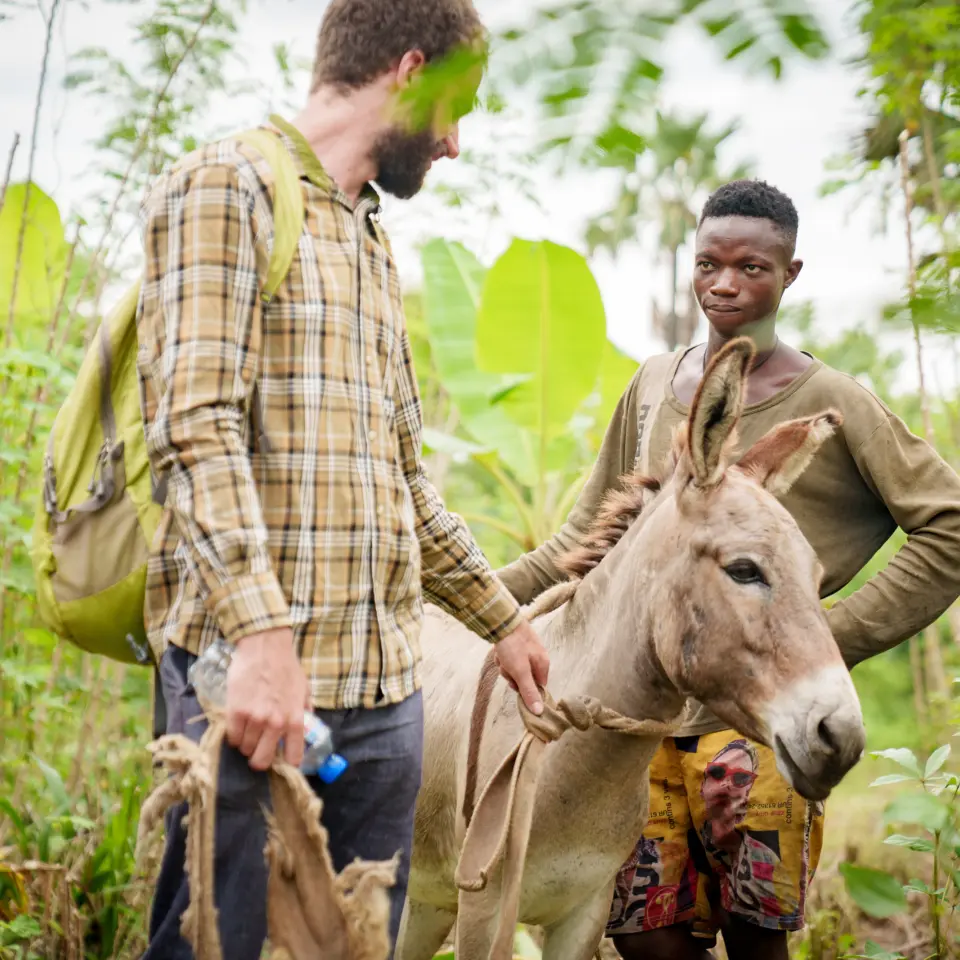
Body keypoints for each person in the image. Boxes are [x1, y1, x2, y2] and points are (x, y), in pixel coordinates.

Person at [135, 1, 549, 957]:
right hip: (249, 689)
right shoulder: (226, 188)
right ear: (409, 71)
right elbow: (192, 432)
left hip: (382, 701)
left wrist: (506, 622)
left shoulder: (369, 239)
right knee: (212, 942)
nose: (454, 144)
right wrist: (264, 642)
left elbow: (404, 482)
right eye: (458, 109)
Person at [496, 178, 960, 960]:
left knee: (755, 940)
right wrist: (470, 603)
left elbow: (948, 522)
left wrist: (823, 639)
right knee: (644, 937)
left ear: (791, 274)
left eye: (752, 267)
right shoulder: (653, 385)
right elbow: (581, 542)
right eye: (709, 264)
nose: (725, 284)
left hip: (757, 723)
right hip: (634, 727)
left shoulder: (833, 402)